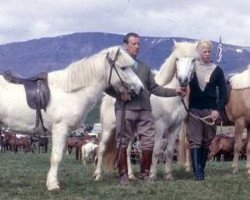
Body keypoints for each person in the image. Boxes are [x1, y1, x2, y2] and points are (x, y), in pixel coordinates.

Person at [105, 32, 186, 185]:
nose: (136, 47)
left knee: (148, 143)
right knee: (123, 142)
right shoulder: (117, 66)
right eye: (133, 44)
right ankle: (123, 176)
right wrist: (119, 95)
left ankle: (145, 175)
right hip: (125, 110)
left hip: (145, 111)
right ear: (125, 45)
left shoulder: (144, 67)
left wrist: (175, 92)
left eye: (138, 44)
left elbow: (155, 88)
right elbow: (106, 86)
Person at [186, 40, 227, 180]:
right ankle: (197, 173)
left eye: (209, 51)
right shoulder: (191, 68)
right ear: (199, 52)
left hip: (211, 111)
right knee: (195, 140)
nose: (207, 54)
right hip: (194, 110)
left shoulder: (217, 70)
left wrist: (218, 110)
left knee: (206, 141)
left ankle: (200, 170)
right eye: (204, 51)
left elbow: (223, 92)